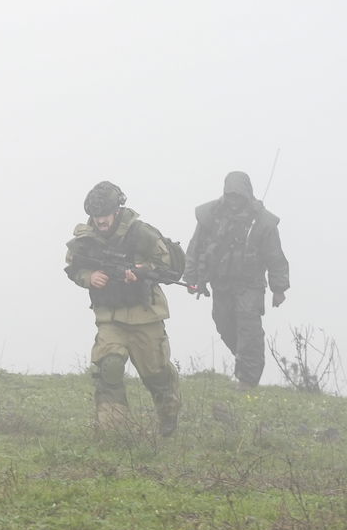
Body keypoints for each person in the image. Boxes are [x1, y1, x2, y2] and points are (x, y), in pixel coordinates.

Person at [64, 180, 181, 435]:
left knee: (156, 374)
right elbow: (73, 268)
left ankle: (168, 419)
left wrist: (139, 272)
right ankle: (114, 432)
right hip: (110, 318)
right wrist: (89, 277)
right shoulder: (85, 239)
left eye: (105, 215)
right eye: (96, 216)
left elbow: (167, 265)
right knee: (110, 368)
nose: (101, 221)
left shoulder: (142, 233)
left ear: (117, 210)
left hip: (145, 315)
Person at [184, 171, 290, 390]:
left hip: (250, 284)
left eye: (238, 196)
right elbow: (195, 247)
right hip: (221, 282)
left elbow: (275, 256)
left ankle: (248, 380)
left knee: (248, 326)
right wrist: (191, 277)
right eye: (230, 196)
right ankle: (244, 357)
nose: (233, 201)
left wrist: (279, 289)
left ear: (246, 195)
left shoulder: (262, 221)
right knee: (223, 321)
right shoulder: (211, 215)